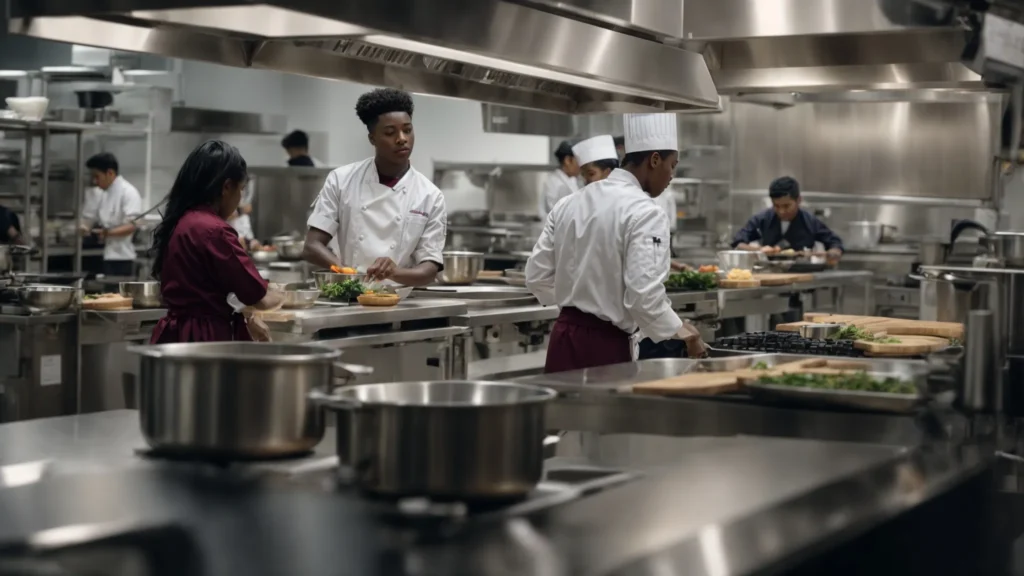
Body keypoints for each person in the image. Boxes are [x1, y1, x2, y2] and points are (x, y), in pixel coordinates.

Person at [526, 113, 706, 373]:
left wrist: (581, 299)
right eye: (672, 165)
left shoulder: (568, 203)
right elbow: (644, 299)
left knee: (561, 413)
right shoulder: (646, 211)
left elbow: (536, 277)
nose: (671, 176)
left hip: (562, 339)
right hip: (605, 347)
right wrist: (684, 332)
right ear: (655, 160)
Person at [303, 88, 446, 286]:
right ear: (372, 138)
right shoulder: (342, 180)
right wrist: (343, 271)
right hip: (351, 296)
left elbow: (429, 270)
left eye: (407, 129)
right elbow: (312, 246)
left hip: (402, 303)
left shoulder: (430, 195)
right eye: (390, 132)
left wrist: (394, 272)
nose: (402, 138)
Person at [149, 140, 283, 344]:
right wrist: (284, 294)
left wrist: (246, 316)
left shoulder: (182, 220)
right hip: (205, 338)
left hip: (175, 334)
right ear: (227, 187)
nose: (240, 198)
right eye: (241, 190)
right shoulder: (215, 230)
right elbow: (260, 298)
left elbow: (214, 289)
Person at [732, 176, 844, 258]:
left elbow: (835, 243)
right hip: (768, 274)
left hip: (802, 277)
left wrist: (832, 253)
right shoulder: (761, 219)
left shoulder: (810, 222)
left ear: (798, 200)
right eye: (776, 206)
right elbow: (738, 243)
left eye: (786, 206)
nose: (781, 211)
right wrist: (759, 250)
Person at [80, 153, 143, 277]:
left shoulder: (129, 192)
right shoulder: (101, 193)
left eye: (97, 176)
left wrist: (107, 233)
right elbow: (90, 217)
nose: (95, 181)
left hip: (122, 259)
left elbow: (132, 226)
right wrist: (85, 227)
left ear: (110, 173)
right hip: (104, 255)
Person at [537, 140, 579, 220]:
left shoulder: (572, 180)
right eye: (578, 160)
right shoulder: (554, 182)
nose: (581, 165)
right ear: (568, 160)